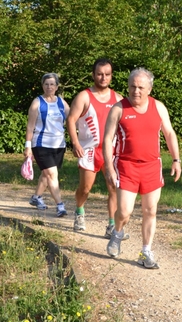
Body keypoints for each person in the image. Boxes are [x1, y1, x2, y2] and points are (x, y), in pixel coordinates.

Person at [103, 67, 182, 268]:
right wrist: (110, 169)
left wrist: (176, 159)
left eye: (140, 87)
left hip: (152, 166)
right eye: (132, 87)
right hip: (126, 165)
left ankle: (146, 251)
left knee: (150, 210)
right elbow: (107, 140)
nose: (136, 91)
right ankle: (118, 232)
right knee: (125, 211)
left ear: (149, 89)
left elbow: (170, 133)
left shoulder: (159, 107)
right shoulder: (119, 109)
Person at [67, 58, 128, 238]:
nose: (103, 78)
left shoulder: (118, 99)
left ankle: (111, 225)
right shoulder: (84, 96)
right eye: (100, 74)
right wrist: (75, 142)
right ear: (93, 75)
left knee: (113, 188)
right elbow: (71, 119)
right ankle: (79, 211)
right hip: (90, 150)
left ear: (111, 76)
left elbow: (125, 125)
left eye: (107, 74)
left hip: (111, 152)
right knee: (85, 189)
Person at [24, 72, 70, 217]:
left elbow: (72, 119)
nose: (49, 87)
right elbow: (30, 126)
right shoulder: (37, 103)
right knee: (51, 173)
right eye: (46, 84)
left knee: (46, 174)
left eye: (52, 84)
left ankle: (36, 197)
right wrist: (28, 146)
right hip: (41, 144)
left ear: (56, 86)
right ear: (42, 86)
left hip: (59, 145)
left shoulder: (62, 102)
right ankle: (60, 205)